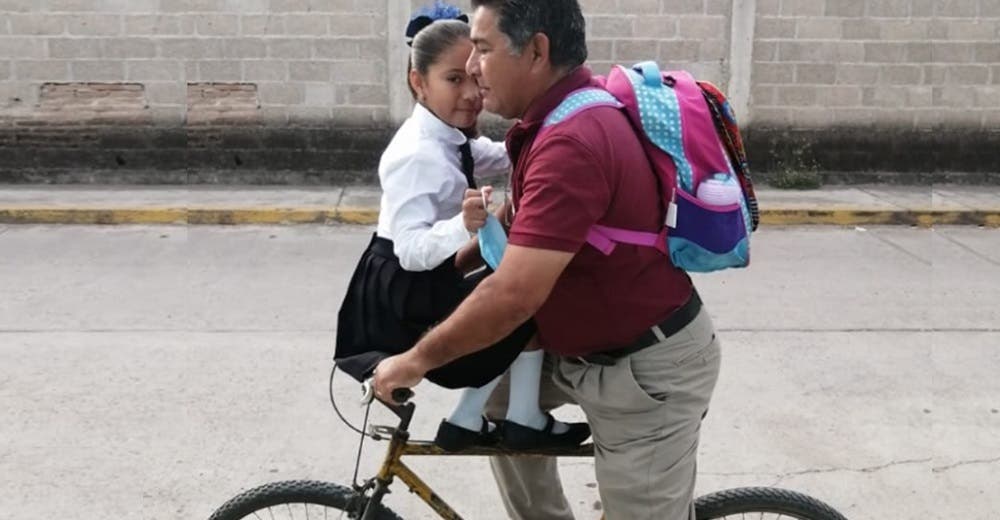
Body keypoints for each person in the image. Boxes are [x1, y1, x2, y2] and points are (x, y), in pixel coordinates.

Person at [372, 1, 722, 519]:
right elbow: (512, 233)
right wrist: (428, 285)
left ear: (536, 51)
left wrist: (416, 359)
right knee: (493, 401)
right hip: (583, 351)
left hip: (647, 371)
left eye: (484, 49)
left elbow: (514, 294)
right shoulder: (552, 118)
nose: (472, 67)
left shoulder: (572, 142)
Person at [334, 3, 588, 453]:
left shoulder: (449, 137)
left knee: (513, 296)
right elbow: (411, 250)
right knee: (512, 302)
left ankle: (479, 419)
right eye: (454, 80)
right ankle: (510, 417)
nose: (472, 92)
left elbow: (496, 153)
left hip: (423, 277)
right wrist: (463, 226)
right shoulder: (417, 155)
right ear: (419, 83)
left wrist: (557, 133)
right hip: (404, 291)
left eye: (474, 75)